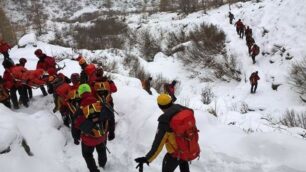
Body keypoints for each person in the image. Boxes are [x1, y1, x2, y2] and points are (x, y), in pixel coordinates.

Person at [135, 94, 200, 172]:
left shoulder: (165, 121)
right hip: (187, 147)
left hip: (175, 154)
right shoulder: (182, 109)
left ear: (160, 106)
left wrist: (147, 159)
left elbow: (158, 144)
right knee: (183, 163)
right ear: (171, 102)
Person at [73, 84, 115, 172]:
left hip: (87, 140)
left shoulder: (80, 110)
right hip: (102, 135)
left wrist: (76, 138)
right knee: (102, 149)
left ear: (80, 94)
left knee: (87, 155)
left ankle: (94, 170)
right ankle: (102, 164)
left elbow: (75, 126)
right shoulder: (101, 104)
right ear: (90, 91)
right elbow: (110, 117)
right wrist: (111, 132)